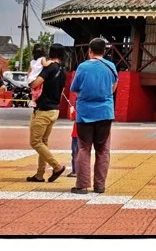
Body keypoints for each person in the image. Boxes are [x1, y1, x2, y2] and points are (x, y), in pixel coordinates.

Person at [70, 37, 119, 195]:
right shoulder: (111, 66)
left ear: (89, 51)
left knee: (83, 148)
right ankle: (100, 185)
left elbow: (75, 89)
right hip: (105, 111)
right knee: (103, 150)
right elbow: (113, 87)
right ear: (104, 51)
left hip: (85, 112)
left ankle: (82, 185)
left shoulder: (83, 67)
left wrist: (85, 97)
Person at [25, 45, 68, 184]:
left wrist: (30, 74)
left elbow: (34, 84)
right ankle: (39, 174)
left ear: (50, 53)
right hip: (54, 109)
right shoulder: (63, 70)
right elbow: (61, 91)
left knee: (35, 142)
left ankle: (57, 166)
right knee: (43, 142)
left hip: (43, 110)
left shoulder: (49, 68)